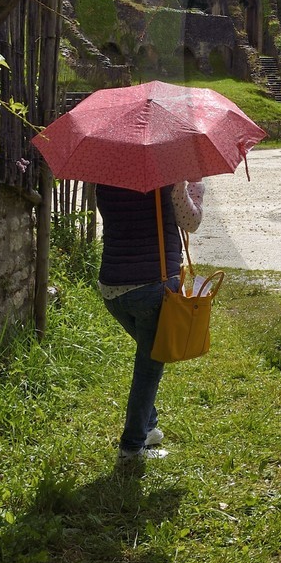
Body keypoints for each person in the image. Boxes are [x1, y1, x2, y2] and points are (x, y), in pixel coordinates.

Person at [95, 178, 203, 462]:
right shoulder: (167, 179)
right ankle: (132, 448)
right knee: (149, 369)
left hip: (112, 290)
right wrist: (194, 186)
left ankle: (149, 427)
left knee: (149, 354)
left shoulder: (105, 178)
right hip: (152, 288)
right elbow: (191, 222)